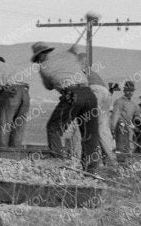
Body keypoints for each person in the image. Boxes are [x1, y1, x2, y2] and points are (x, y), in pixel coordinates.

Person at [33, 40, 113, 177]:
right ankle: (91, 169)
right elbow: (76, 50)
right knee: (90, 133)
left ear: (40, 56)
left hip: (72, 95)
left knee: (54, 127)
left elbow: (49, 86)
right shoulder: (68, 55)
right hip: (89, 95)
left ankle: (58, 160)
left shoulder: (43, 67)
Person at [0, 51, 33, 148]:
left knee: (4, 124)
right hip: (25, 93)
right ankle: (15, 152)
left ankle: (2, 152)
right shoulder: (8, 66)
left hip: (10, 93)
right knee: (19, 125)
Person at [109, 81, 136, 160]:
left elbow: (134, 115)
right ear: (124, 91)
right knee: (121, 147)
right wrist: (112, 129)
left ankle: (127, 163)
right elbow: (115, 115)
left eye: (131, 91)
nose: (129, 93)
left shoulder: (132, 103)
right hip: (121, 126)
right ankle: (120, 162)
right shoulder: (119, 102)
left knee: (129, 147)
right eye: (128, 90)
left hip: (129, 127)